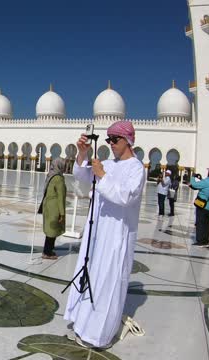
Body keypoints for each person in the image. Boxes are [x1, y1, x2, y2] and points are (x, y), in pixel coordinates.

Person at [64, 121, 146, 350]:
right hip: (97, 232)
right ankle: (82, 324)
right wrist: (82, 153)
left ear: (128, 141)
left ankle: (98, 335)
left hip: (116, 236)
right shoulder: (108, 163)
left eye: (115, 140)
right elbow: (81, 177)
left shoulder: (136, 168)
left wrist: (102, 175)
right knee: (91, 277)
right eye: (108, 139)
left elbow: (126, 196)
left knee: (108, 283)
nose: (110, 144)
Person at [39, 158, 67, 260]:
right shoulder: (58, 178)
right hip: (54, 207)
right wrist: (62, 213)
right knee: (52, 230)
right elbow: (60, 197)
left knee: (50, 229)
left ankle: (49, 249)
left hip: (48, 206)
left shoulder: (50, 175)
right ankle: (47, 252)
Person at [189, 166, 209, 248]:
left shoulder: (207, 181)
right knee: (206, 224)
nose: (207, 172)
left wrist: (193, 177)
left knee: (200, 223)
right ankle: (205, 241)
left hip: (202, 206)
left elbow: (194, 184)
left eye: (208, 171)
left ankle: (200, 241)